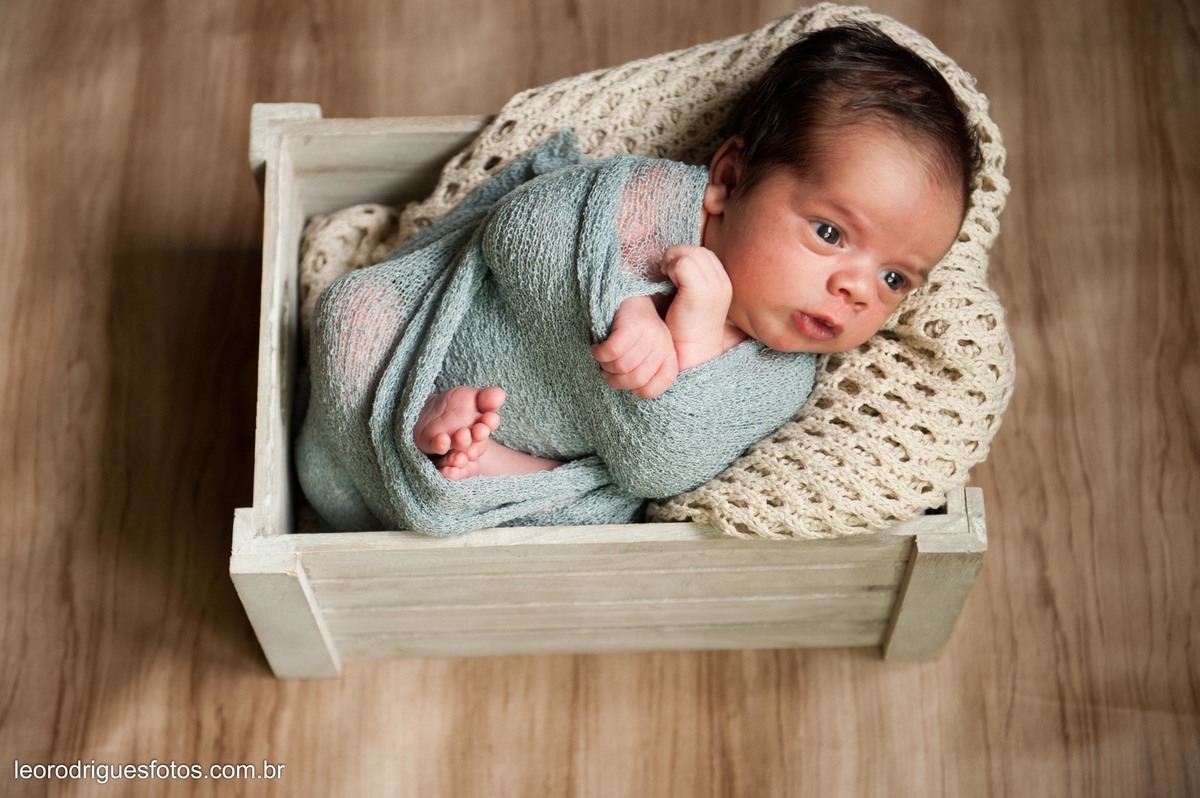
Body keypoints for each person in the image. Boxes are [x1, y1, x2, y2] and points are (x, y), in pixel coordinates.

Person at [296, 23, 980, 534]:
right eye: (830, 234)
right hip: (429, 346)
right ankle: (406, 429)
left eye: (895, 278)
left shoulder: (781, 375)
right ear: (729, 180)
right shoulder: (650, 199)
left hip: (527, 477)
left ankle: (468, 463)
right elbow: (524, 232)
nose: (858, 289)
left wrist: (690, 334)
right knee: (349, 312)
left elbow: (658, 469)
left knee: (594, 521)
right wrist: (624, 306)